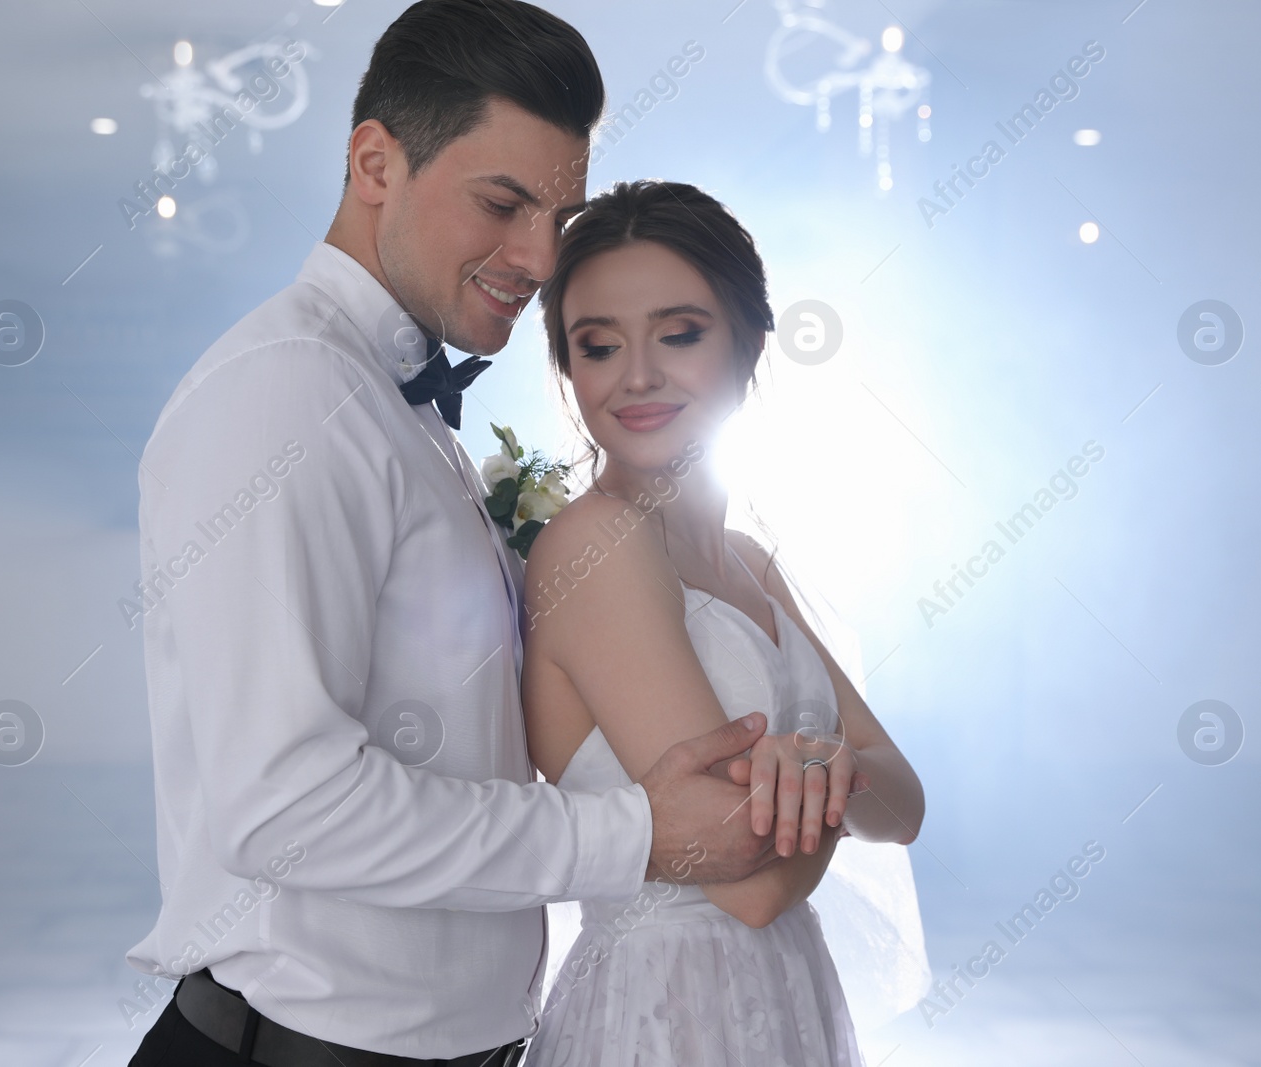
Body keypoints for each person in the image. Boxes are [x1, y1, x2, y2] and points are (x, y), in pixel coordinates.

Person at [122, 4, 853, 1065]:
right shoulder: (284, 397)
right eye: (503, 204)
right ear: (375, 161)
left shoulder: (397, 406)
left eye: (557, 215)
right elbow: (285, 806)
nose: (538, 256)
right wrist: (638, 833)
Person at [519, 180, 927, 1065]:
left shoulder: (751, 558)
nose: (637, 375)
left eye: (680, 333)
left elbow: (906, 803)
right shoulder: (592, 544)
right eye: (597, 345)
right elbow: (745, 886)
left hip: (784, 1000)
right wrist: (836, 777)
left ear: (749, 342)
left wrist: (822, 770)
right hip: (659, 1013)